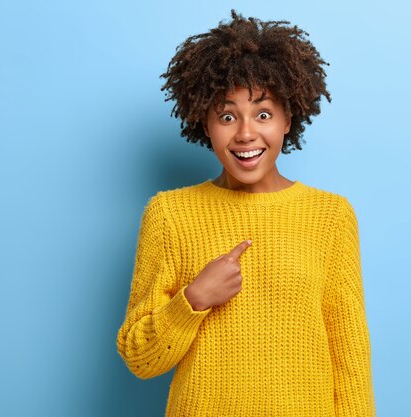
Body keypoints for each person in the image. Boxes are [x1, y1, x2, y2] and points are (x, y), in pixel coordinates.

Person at [115, 9, 375, 417]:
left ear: (289, 118)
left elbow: (350, 358)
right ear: (204, 121)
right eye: (227, 115)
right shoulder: (169, 214)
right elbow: (140, 358)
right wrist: (194, 299)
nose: (246, 133)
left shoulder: (331, 216)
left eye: (264, 114)